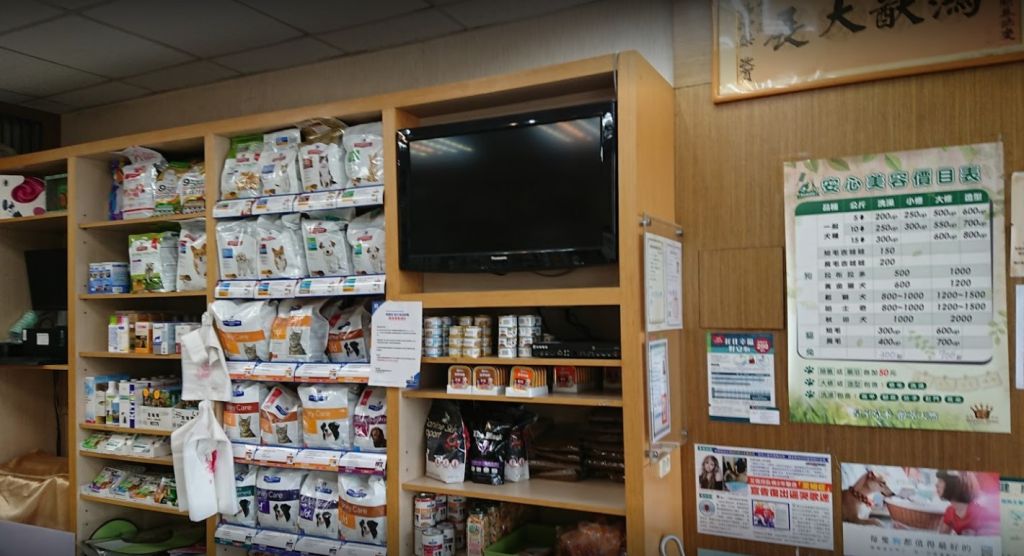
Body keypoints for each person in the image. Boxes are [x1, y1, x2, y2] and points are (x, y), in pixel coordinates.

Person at [936, 470, 999, 536]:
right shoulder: (949, 511)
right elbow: (942, 536)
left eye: (940, 481)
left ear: (955, 484)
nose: (936, 485)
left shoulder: (981, 514)